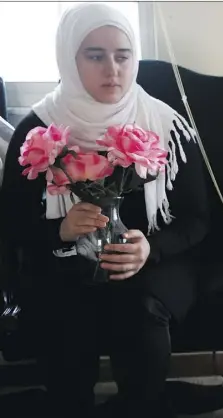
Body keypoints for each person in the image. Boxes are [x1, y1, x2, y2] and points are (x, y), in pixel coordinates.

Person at [0, 3, 209, 417]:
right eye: (94, 56)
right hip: (62, 263)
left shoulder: (165, 126)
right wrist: (59, 230)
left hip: (153, 262)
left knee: (142, 312)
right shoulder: (38, 131)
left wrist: (151, 247)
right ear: (69, 58)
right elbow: (11, 222)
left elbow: (198, 218)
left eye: (122, 55)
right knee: (64, 318)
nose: (112, 69)